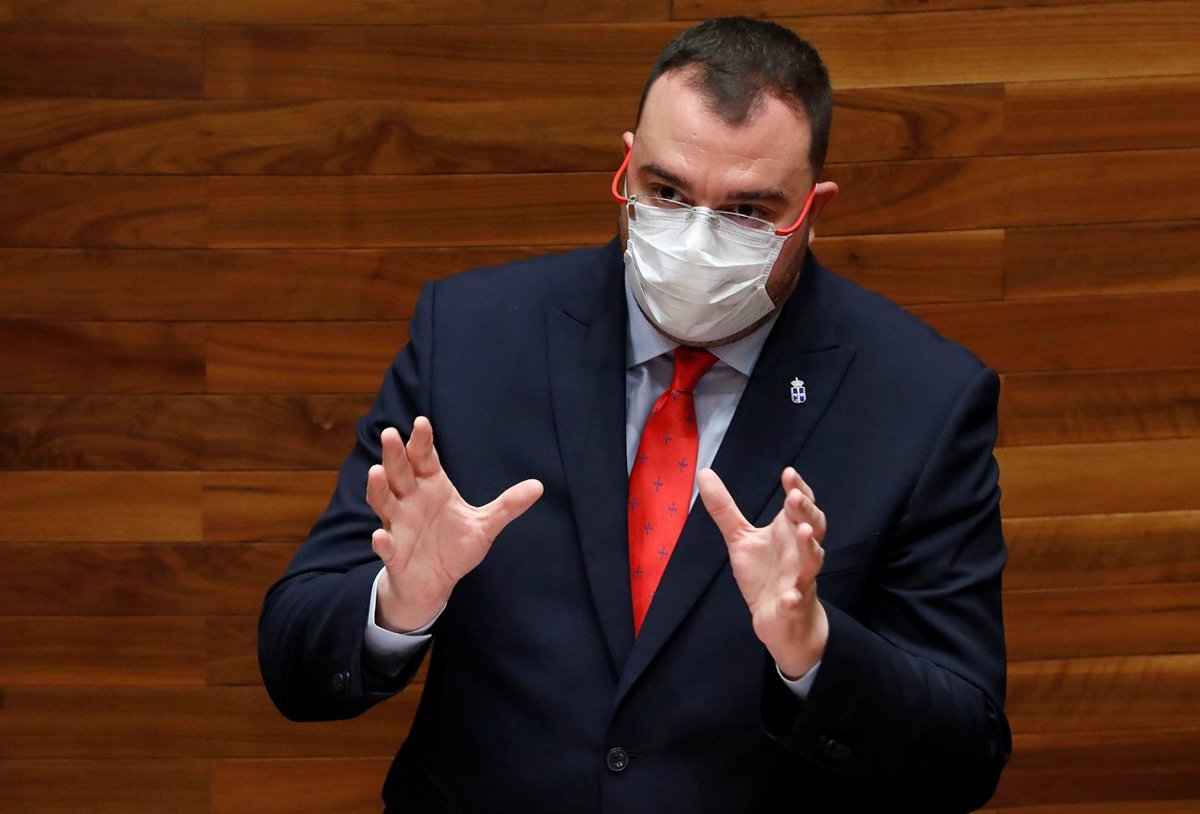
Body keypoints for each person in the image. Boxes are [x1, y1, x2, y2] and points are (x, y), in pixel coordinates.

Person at [259, 17, 1011, 813]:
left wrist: (815, 652)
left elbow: (965, 755)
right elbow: (294, 661)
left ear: (812, 208)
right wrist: (398, 605)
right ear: (626, 165)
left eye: (747, 212)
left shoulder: (921, 400)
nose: (696, 242)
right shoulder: (473, 338)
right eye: (667, 193)